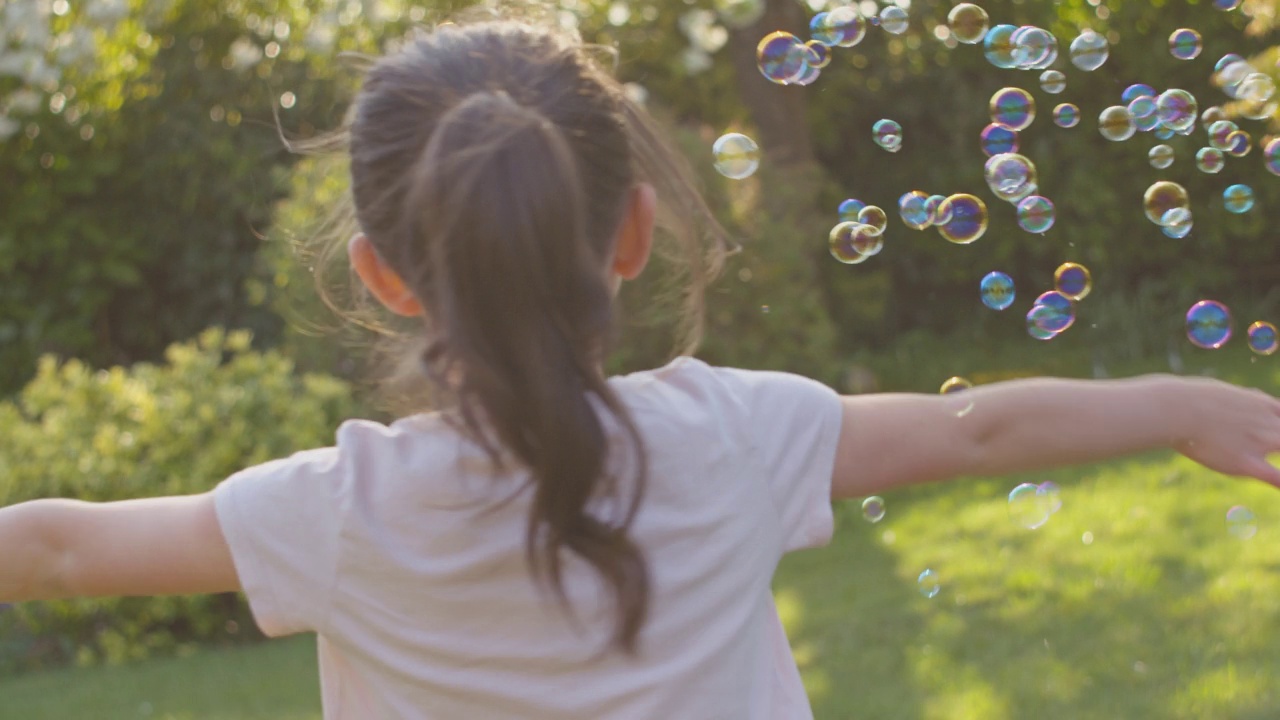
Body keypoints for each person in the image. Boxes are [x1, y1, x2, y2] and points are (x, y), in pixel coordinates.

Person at [2, 18, 1279, 720]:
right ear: (633, 235)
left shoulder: (339, 516)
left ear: (385, 275)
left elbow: (56, 550)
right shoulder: (734, 436)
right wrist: (1182, 400)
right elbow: (975, 436)